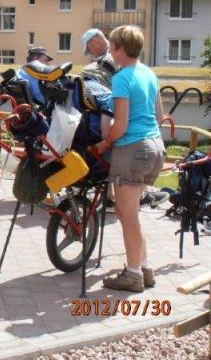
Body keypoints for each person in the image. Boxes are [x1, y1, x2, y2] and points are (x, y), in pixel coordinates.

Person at [95, 25, 166, 293]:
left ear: (120, 49)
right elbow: (159, 117)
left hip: (131, 150)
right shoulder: (149, 73)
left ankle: (133, 274)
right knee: (133, 215)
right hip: (154, 147)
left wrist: (105, 142)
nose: (111, 51)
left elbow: (120, 125)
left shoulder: (122, 77)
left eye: (112, 46)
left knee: (126, 215)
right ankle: (145, 268)